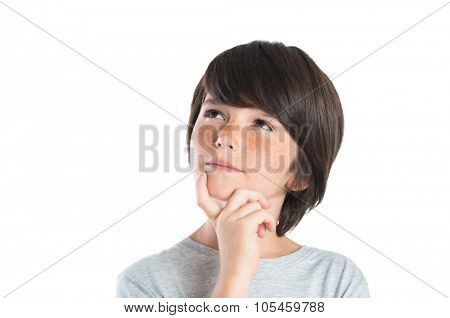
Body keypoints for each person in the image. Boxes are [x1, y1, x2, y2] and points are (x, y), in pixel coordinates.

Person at [116, 40, 370, 298]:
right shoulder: (144, 283)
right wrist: (234, 273)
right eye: (214, 113)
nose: (225, 136)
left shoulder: (336, 283)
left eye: (262, 124)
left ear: (300, 175)